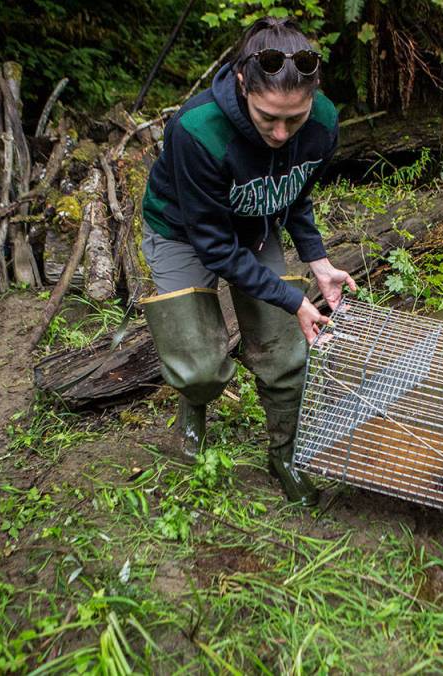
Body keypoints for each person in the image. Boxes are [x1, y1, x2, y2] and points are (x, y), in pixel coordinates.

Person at [138, 17, 357, 506]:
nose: (281, 133)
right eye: (267, 118)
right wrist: (291, 297)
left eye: (293, 120)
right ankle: (193, 419)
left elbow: (295, 193)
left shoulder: (322, 122)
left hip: (255, 226)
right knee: (200, 369)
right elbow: (213, 245)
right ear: (242, 83)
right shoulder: (196, 130)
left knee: (285, 352)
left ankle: (283, 455)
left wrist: (317, 261)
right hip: (183, 232)